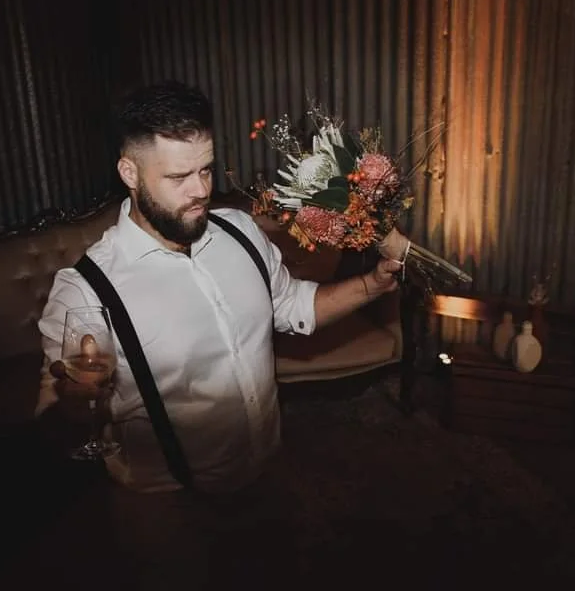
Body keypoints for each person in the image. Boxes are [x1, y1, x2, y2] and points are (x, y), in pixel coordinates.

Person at [34, 80, 400, 587]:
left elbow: (294, 305)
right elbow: (54, 418)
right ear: (129, 173)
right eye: (179, 175)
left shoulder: (239, 231)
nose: (201, 189)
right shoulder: (84, 291)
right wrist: (74, 405)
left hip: (265, 475)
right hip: (165, 508)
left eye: (206, 169)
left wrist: (372, 284)